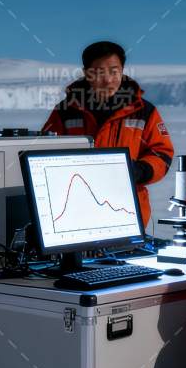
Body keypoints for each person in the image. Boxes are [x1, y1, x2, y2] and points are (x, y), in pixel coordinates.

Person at [41, 40, 173, 230]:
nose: (109, 80)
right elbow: (45, 152)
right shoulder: (65, 111)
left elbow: (162, 153)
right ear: (87, 73)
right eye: (100, 72)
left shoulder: (143, 111)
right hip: (74, 215)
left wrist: (141, 170)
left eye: (114, 71)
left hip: (128, 215)